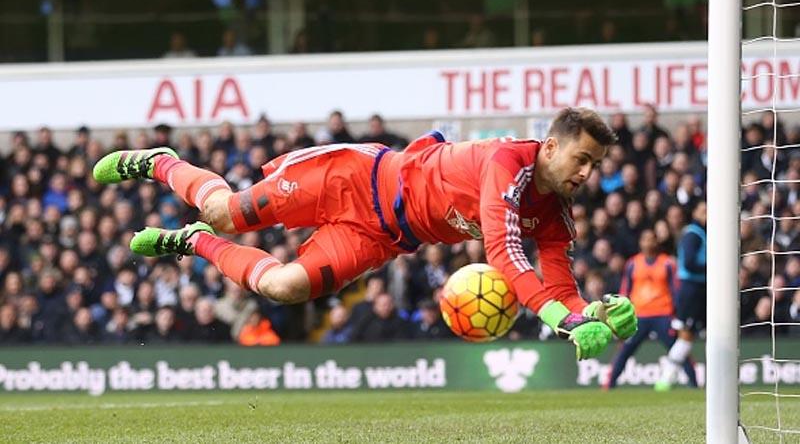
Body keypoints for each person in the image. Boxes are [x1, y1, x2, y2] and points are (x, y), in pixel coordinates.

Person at [92, 107, 638, 359]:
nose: (588, 174)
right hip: (353, 179)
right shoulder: (506, 163)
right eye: (582, 159)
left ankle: (190, 243)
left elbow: (562, 284)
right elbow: (502, 249)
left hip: (382, 237)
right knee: (225, 212)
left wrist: (588, 314)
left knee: (285, 287)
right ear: (550, 147)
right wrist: (561, 319)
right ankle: (164, 163)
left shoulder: (555, 213)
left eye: (595, 165)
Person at [604, 230, 697, 389]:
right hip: (638, 315)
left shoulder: (667, 263)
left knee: (677, 349)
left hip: (663, 315)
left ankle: (694, 384)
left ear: (657, 242)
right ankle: (609, 385)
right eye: (645, 239)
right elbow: (625, 290)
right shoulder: (633, 263)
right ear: (640, 242)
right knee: (625, 350)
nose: (648, 243)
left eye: (651, 239)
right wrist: (620, 312)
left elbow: (675, 290)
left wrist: (677, 314)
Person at [655, 200, 706, 391]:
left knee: (692, 335)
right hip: (692, 289)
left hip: (700, 288)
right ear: (695, 212)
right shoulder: (692, 234)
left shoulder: (702, 233)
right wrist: (716, 266)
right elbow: (690, 263)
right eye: (703, 209)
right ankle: (666, 379)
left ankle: (700, 380)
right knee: (686, 335)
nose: (707, 213)